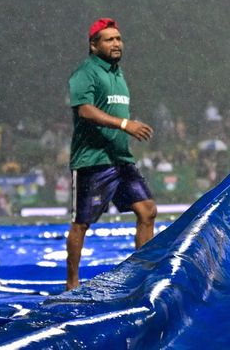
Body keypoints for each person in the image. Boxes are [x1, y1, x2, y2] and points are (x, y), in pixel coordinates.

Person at [66, 17, 156, 291]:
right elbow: (84, 109)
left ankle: (141, 276)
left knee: (147, 211)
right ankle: (71, 284)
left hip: (120, 159)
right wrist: (125, 124)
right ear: (93, 46)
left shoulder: (118, 74)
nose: (116, 43)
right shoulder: (86, 71)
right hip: (93, 160)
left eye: (118, 38)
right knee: (82, 223)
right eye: (109, 39)